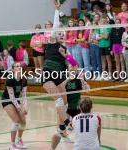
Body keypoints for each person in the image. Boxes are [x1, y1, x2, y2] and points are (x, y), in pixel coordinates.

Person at [43, 0, 77, 136]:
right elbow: (56, 25)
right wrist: (57, 10)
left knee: (64, 104)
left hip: (60, 77)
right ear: (55, 34)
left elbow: (74, 64)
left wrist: (65, 56)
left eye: (63, 33)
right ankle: (69, 123)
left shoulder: (64, 49)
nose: (61, 34)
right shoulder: (51, 42)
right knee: (58, 100)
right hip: (48, 75)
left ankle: (60, 129)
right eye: (59, 33)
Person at [50, 65, 90, 150]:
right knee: (59, 130)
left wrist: (82, 79)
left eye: (74, 67)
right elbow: (57, 89)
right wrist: (68, 80)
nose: (72, 68)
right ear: (67, 68)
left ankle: (80, 145)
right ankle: (52, 148)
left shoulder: (79, 77)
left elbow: (87, 89)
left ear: (76, 68)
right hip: (65, 107)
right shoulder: (63, 76)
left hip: (76, 107)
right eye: (70, 66)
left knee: (80, 128)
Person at [1, 62, 28, 150]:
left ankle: (19, 140)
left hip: (16, 99)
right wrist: (20, 108)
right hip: (7, 100)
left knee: (23, 121)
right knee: (16, 120)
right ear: (13, 69)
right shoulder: (10, 80)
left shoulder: (24, 79)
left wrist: (24, 107)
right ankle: (12, 144)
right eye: (17, 66)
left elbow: (24, 95)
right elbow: (11, 98)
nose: (19, 67)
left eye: (20, 66)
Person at [96, 13, 112, 81]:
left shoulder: (109, 26)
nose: (103, 19)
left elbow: (106, 37)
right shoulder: (99, 26)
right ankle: (104, 74)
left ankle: (110, 75)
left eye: (104, 18)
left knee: (108, 60)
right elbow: (97, 37)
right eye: (102, 18)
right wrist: (101, 36)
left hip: (107, 45)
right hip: (101, 45)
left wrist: (100, 36)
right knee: (103, 60)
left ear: (106, 19)